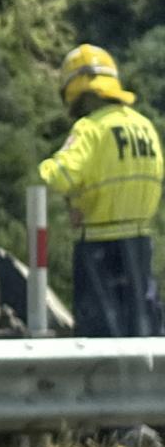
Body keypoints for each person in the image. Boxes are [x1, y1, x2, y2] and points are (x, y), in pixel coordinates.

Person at [38, 44, 164, 337]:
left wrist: (41, 170)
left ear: (75, 90)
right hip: (140, 245)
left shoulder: (90, 129)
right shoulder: (144, 127)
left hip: (98, 250)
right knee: (143, 331)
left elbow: (58, 177)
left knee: (99, 342)